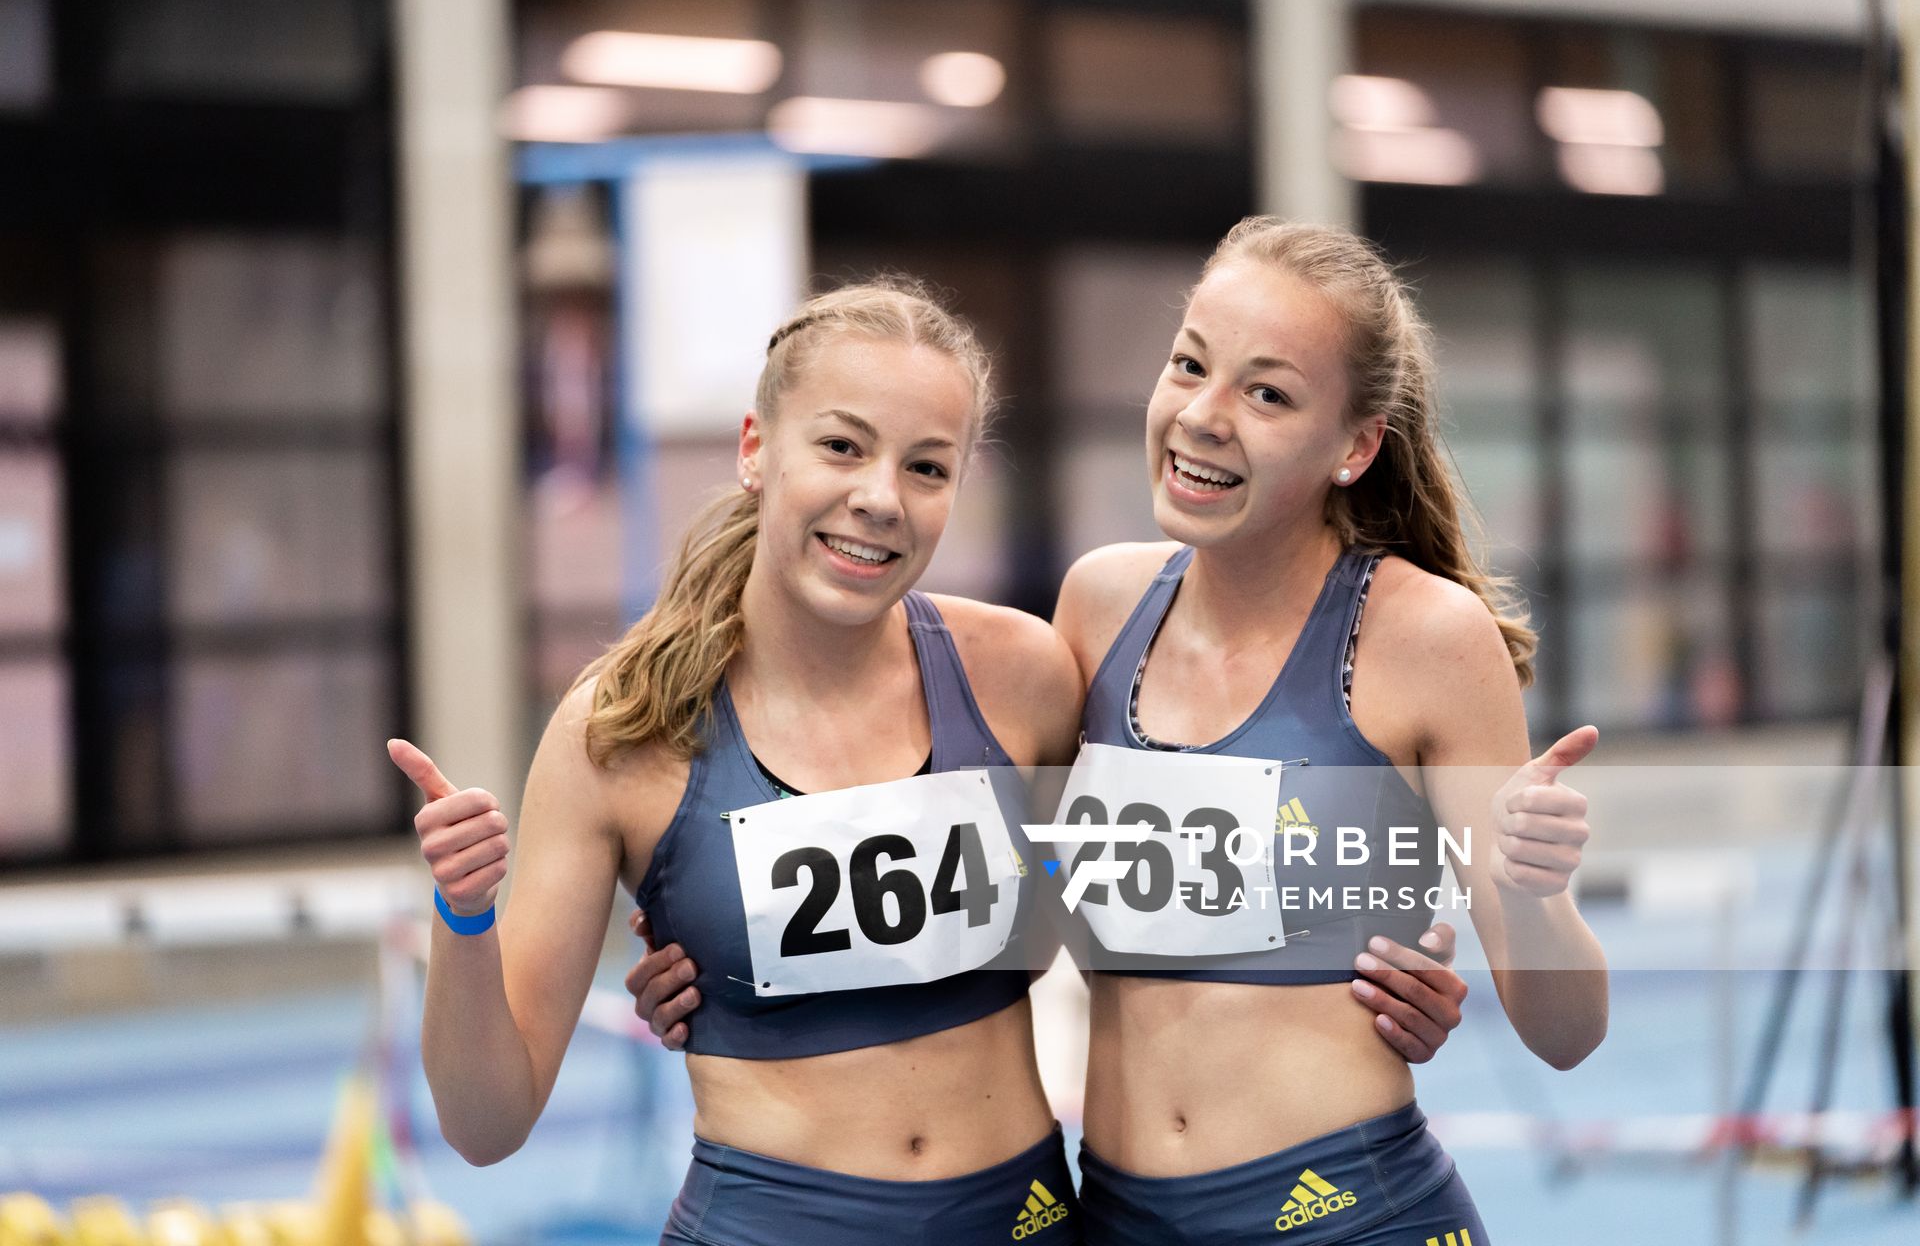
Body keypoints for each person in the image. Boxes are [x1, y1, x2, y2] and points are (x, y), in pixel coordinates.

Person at [388, 281, 1097, 1245]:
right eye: (841, 446)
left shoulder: (1024, 677)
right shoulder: (623, 732)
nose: (880, 499)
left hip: (1022, 1220)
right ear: (757, 447)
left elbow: (1107, 932)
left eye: (927, 468)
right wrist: (464, 917)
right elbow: (486, 1125)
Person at [1048, 217, 1608, 1244]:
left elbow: (1567, 1032)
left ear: (1354, 446)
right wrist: (718, 956)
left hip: (1347, 1217)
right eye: (1190, 365)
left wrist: (1529, 897)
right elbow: (1002, 887)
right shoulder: (1095, 608)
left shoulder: (1426, 637)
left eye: (1267, 392)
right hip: (1119, 1215)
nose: (1203, 416)